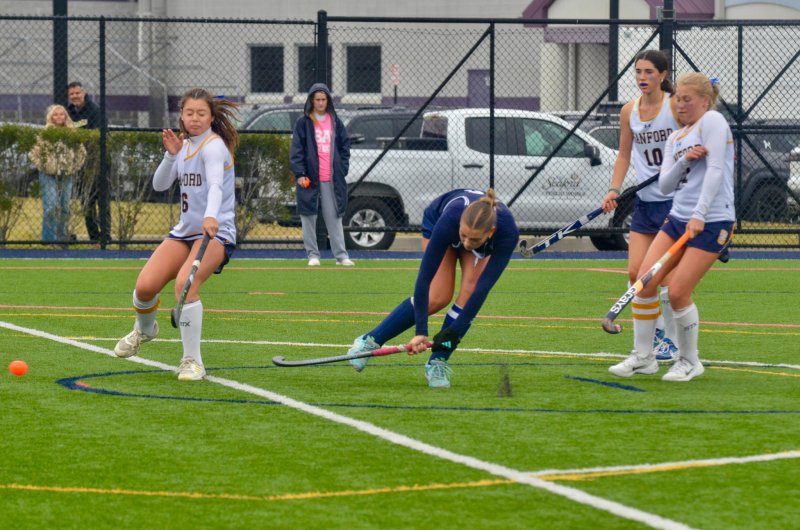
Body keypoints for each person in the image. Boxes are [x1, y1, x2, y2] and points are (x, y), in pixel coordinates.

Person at [608, 73, 734, 382]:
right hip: (677, 219)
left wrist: (700, 214)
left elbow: (716, 169)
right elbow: (666, 186)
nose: (680, 104)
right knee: (644, 281)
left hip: (713, 219)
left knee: (678, 292)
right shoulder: (676, 138)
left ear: (705, 101)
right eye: (678, 98)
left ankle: (690, 361)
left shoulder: (713, 122)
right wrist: (683, 162)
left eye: (687, 99)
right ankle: (643, 357)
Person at [114, 88, 239, 381]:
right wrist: (171, 156)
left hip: (215, 235)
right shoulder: (183, 147)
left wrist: (211, 216)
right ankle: (145, 330)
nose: (194, 119)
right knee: (144, 287)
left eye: (201, 113)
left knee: (186, 285)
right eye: (189, 113)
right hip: (184, 234)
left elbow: (216, 186)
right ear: (181, 115)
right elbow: (159, 185)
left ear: (210, 117)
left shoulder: (213, 146)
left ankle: (192, 361)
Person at [345, 188, 519, 388]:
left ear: (491, 232)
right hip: (438, 221)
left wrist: (452, 335)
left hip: (475, 235)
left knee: (470, 293)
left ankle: (438, 361)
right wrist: (421, 331)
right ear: (460, 224)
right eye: (464, 236)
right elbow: (423, 279)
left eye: (474, 239)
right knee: (438, 296)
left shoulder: (507, 234)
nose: (467, 243)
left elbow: (483, 289)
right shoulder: (450, 219)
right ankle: (369, 341)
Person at [601, 49, 680, 363]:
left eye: (649, 72)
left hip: (675, 201)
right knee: (636, 273)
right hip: (645, 203)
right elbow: (623, 155)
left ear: (662, 75)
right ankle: (658, 334)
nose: (643, 78)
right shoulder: (628, 111)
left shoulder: (674, 107)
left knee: (665, 277)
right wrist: (613, 189)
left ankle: (672, 343)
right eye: (638, 72)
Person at [290, 83, 354, 267]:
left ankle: (341, 256)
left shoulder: (335, 121)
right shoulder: (303, 123)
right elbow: (296, 151)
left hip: (331, 180)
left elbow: (344, 147)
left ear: (328, 101)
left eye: (323, 99)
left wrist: (342, 168)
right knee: (308, 217)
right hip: (310, 180)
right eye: (317, 99)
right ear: (311, 100)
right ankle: (313, 255)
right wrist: (300, 173)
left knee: (334, 217)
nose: (320, 103)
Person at [28, 104, 87, 244]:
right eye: (55, 114)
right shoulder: (44, 133)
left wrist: (73, 167)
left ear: (66, 116)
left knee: (65, 207)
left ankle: (61, 238)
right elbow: (33, 153)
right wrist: (45, 166)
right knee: (51, 207)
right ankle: (48, 239)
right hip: (48, 175)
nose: (59, 117)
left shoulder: (72, 133)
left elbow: (81, 153)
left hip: (67, 175)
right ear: (50, 117)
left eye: (62, 114)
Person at [67, 81, 102, 243]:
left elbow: (96, 135)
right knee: (84, 201)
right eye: (72, 94)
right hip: (75, 163)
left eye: (77, 93)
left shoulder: (94, 110)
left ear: (84, 93)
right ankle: (92, 236)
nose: (75, 96)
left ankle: (103, 237)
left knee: (96, 199)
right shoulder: (68, 112)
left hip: (94, 163)